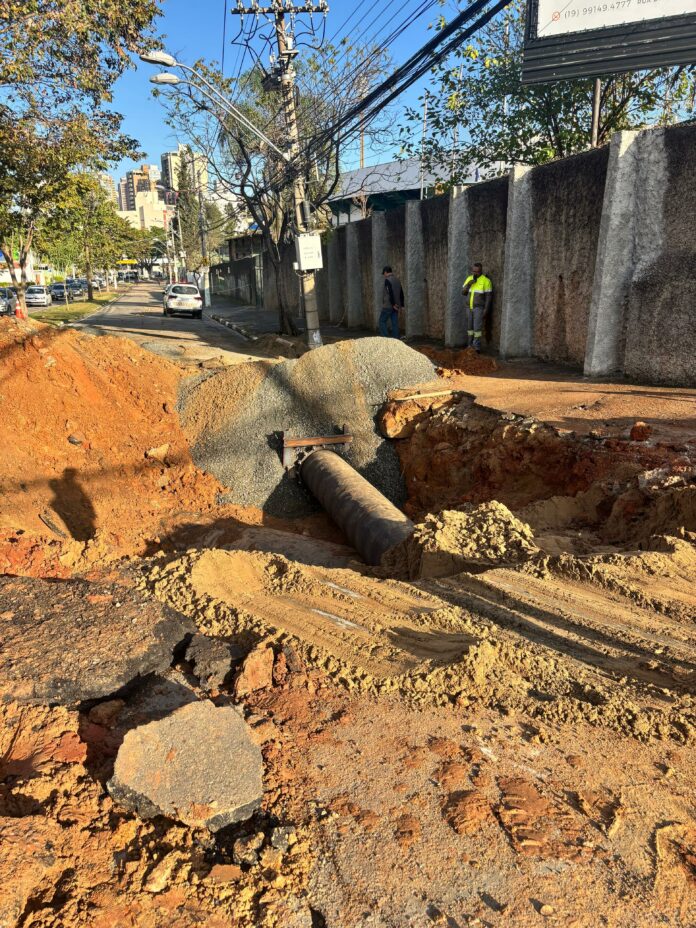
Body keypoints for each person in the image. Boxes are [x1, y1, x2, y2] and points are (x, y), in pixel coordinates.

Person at [462, 262, 493, 352]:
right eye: (473, 271)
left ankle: (476, 348)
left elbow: (488, 297)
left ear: (481, 271)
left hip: (479, 308)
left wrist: (486, 309)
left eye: (477, 272)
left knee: (477, 329)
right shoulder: (469, 279)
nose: (475, 273)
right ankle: (469, 346)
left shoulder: (486, 281)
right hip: (469, 307)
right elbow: (463, 293)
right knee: (470, 328)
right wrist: (469, 285)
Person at [379, 265, 404, 339]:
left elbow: (390, 293)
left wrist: (393, 304)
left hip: (389, 305)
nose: (384, 275)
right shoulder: (397, 280)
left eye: (384, 273)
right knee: (394, 323)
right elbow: (401, 292)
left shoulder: (387, 280)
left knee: (382, 321)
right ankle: (396, 339)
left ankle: (385, 338)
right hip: (396, 306)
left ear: (386, 272)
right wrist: (402, 304)